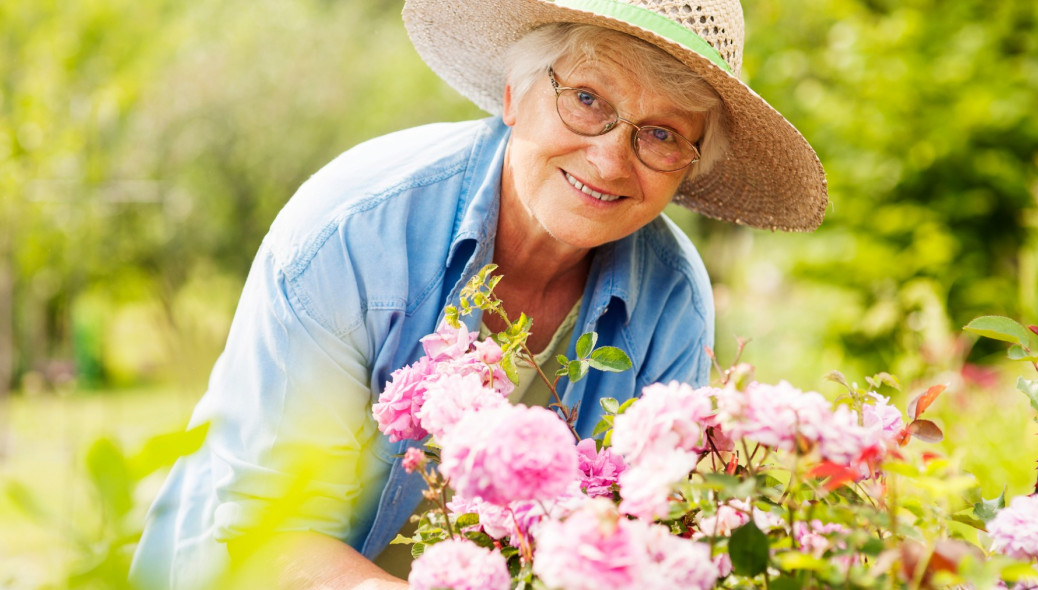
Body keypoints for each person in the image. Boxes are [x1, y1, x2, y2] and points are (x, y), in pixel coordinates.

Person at [130, 0, 827, 588]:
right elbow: (271, 537)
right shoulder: (354, 233)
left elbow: (636, 541)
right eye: (588, 99)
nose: (612, 158)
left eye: (663, 134)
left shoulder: (671, 298)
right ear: (515, 95)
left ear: (689, 166)